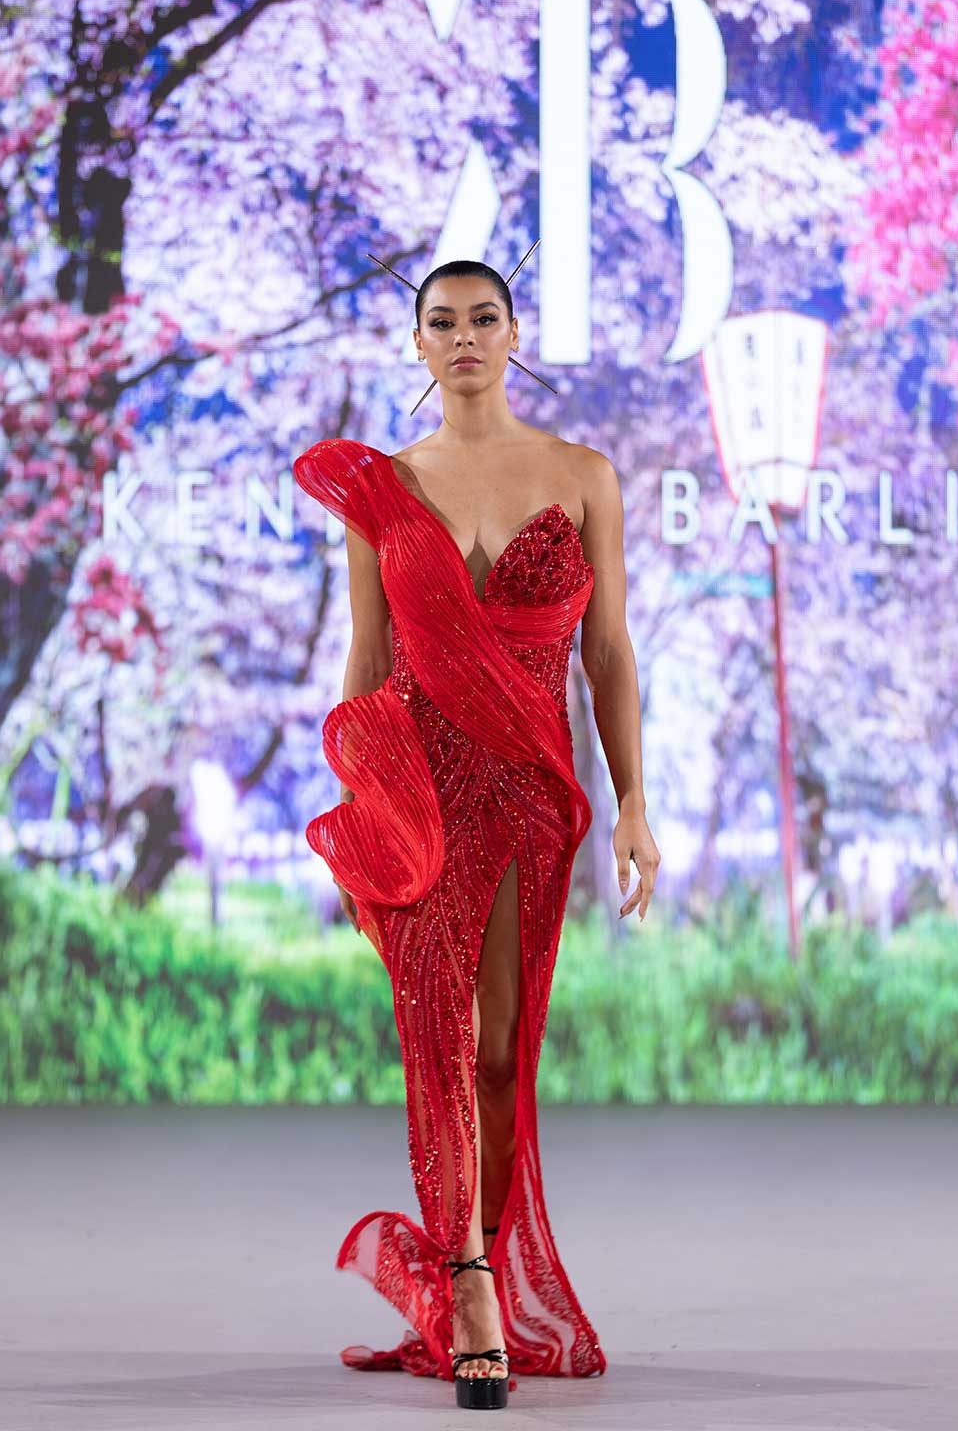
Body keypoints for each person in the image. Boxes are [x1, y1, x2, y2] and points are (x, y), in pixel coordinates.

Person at [293, 259, 661, 1411]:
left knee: (501, 1053)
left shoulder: (583, 474)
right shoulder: (384, 493)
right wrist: (357, 804)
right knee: (436, 1048)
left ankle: (482, 1255)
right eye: (440, 322)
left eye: (482, 319)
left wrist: (635, 803)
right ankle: (465, 1284)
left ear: (515, 334)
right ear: (416, 345)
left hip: (533, 797)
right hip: (419, 792)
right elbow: (364, 662)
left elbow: (606, 652)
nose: (463, 337)